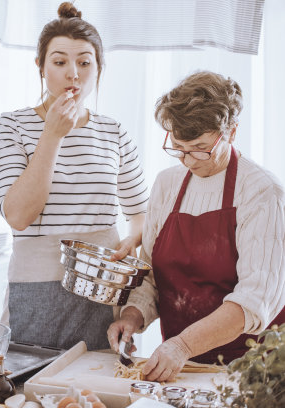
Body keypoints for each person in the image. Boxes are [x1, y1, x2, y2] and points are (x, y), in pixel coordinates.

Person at [0, 2, 149, 350]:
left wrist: (131, 239)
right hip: (36, 290)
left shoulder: (113, 131)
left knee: (95, 396)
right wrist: (52, 135)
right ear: (41, 67)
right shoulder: (12, 126)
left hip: (104, 292)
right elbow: (18, 214)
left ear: (99, 68)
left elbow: (139, 213)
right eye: (59, 62)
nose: (73, 74)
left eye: (85, 62)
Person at [107, 71, 285, 382]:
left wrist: (184, 344)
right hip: (183, 368)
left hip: (252, 370)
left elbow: (255, 300)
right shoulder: (167, 184)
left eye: (200, 148)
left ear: (231, 132)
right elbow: (150, 277)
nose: (187, 160)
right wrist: (132, 316)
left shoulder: (261, 191)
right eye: (178, 147)